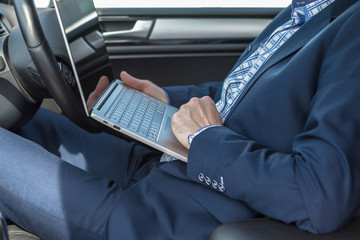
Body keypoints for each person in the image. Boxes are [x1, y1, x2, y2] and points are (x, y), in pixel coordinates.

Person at [1, 0, 360, 239]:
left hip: (171, 216)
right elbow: (252, 92)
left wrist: (205, 136)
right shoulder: (308, 9)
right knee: (21, 123)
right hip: (161, 165)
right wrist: (168, 101)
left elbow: (320, 197)